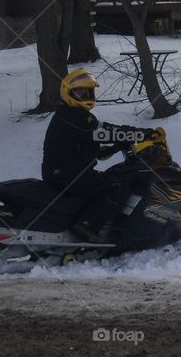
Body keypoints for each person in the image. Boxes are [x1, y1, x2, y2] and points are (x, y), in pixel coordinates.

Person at [41, 68, 146, 243]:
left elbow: (95, 148)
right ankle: (89, 227)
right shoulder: (73, 116)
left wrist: (116, 146)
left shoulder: (76, 117)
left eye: (89, 92)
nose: (86, 96)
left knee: (107, 181)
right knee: (117, 186)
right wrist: (139, 134)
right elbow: (104, 131)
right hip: (67, 175)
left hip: (67, 173)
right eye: (81, 93)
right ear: (68, 93)